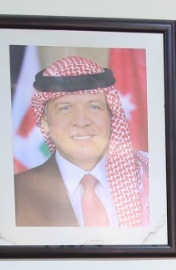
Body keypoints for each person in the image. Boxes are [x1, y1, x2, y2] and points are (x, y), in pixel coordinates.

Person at [14, 55, 150, 229]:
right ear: (45, 122)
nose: (81, 121)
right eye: (65, 108)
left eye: (94, 106)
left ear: (111, 115)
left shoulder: (149, 176)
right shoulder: (16, 193)